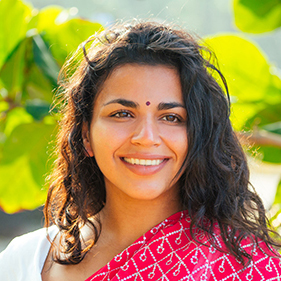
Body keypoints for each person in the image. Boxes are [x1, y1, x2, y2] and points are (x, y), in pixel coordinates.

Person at [1, 21, 281, 281]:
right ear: (86, 135)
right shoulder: (25, 261)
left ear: (199, 136)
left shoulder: (245, 267)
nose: (146, 138)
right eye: (122, 114)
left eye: (171, 117)